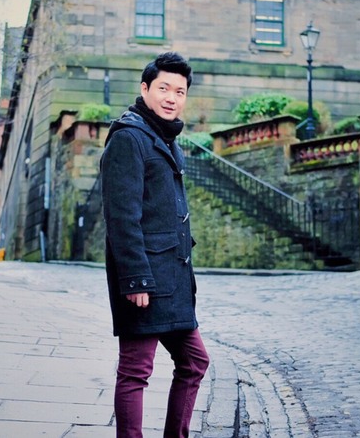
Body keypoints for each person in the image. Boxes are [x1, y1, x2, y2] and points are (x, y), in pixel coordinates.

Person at [100, 52, 210, 438]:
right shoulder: (129, 139)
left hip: (173, 279)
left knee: (195, 362)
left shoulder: (165, 139)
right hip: (145, 280)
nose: (171, 97)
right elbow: (121, 217)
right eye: (163, 88)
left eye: (179, 91)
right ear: (144, 88)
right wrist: (135, 280)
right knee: (135, 371)